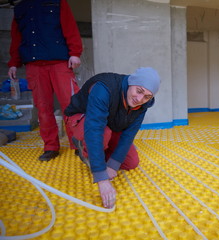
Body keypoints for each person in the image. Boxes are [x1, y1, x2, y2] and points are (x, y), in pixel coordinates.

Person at [64, 67, 160, 209]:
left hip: (108, 123)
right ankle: (82, 146)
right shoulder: (104, 88)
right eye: (139, 91)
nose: (140, 99)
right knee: (103, 134)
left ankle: (96, 151)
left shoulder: (143, 104)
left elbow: (129, 134)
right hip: (81, 119)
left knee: (131, 162)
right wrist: (101, 177)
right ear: (131, 82)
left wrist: (113, 165)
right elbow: (94, 129)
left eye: (147, 96)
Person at [7, 0, 83, 161]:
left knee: (71, 105)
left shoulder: (58, 2)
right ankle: (50, 147)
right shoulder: (20, 7)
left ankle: (78, 144)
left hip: (60, 62)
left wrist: (75, 52)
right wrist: (14, 63)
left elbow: (70, 27)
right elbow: (16, 37)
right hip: (34, 66)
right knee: (43, 108)